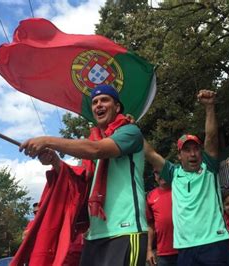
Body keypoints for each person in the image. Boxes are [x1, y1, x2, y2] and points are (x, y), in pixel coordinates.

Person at [20, 84, 148, 266]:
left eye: (105, 100)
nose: (99, 105)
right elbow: (80, 181)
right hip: (94, 235)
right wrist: (55, 161)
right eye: (95, 102)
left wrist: (48, 140)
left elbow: (97, 150)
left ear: (117, 107)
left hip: (126, 231)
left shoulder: (129, 132)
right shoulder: (91, 143)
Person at [145, 89, 229, 266]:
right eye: (187, 150)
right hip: (185, 249)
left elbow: (211, 137)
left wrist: (209, 107)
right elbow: (150, 153)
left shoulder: (209, 168)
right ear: (179, 155)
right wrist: (128, 127)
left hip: (214, 244)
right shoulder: (173, 173)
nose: (193, 154)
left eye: (196, 149)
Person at [146, 171, 178, 266]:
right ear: (155, 176)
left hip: (184, 249)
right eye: (157, 173)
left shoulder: (180, 191)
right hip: (162, 254)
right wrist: (149, 250)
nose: (161, 175)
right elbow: (150, 225)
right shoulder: (150, 196)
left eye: (163, 171)